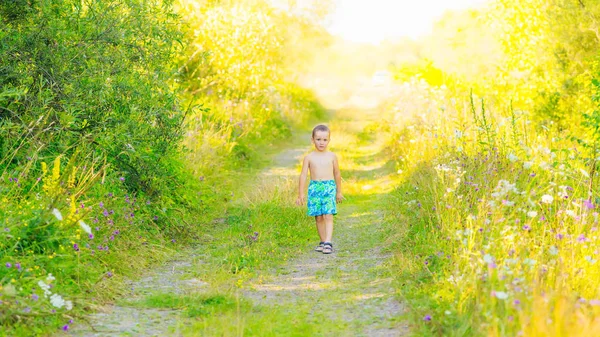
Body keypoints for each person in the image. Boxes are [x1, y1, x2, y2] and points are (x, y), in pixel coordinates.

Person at [296, 124, 343, 254]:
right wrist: (301, 194)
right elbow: (303, 175)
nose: (321, 143)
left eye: (324, 140)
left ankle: (328, 242)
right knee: (318, 217)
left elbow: (337, 174)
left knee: (328, 214)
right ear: (312, 140)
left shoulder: (332, 156)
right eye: (318, 139)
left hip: (329, 187)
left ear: (329, 140)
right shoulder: (309, 158)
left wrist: (339, 191)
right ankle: (323, 241)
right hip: (314, 188)